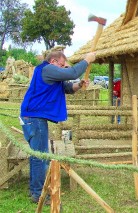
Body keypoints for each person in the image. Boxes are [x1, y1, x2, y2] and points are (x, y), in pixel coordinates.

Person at [20, 51, 96, 204]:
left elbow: (68, 87)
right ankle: (39, 194)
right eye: (62, 65)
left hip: (34, 117)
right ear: (53, 61)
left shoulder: (52, 76)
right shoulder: (47, 69)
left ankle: (36, 191)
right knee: (41, 157)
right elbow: (73, 72)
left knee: (37, 156)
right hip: (34, 118)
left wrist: (79, 85)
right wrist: (87, 60)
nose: (63, 68)